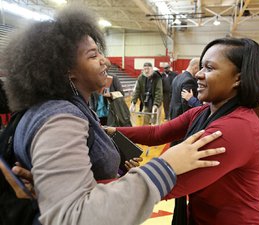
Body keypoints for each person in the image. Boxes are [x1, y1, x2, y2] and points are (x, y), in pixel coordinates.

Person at [0, 5, 226, 225]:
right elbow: (74, 216)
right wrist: (165, 166)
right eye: (93, 55)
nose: (105, 61)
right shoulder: (61, 119)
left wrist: (117, 174)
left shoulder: (69, 109)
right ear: (65, 70)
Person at [108, 37, 259, 225]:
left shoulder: (235, 129)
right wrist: (111, 131)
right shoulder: (204, 112)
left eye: (209, 68)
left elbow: (168, 184)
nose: (198, 75)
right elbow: (157, 134)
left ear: (238, 78)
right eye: (201, 67)